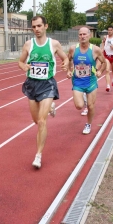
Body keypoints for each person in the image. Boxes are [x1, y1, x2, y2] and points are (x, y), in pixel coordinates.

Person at [18, 15, 69, 169]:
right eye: (34, 27)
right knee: (36, 121)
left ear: (46, 26)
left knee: (41, 121)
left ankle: (38, 155)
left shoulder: (54, 44)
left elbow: (65, 58)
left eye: (39, 26)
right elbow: (20, 61)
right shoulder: (28, 44)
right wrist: (24, 67)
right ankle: (51, 107)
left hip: (47, 84)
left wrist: (65, 65)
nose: (36, 29)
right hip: (32, 84)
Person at [67, 27, 106, 134]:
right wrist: (69, 70)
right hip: (77, 82)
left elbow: (104, 62)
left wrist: (100, 71)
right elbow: (68, 60)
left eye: (85, 34)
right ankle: (84, 101)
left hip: (91, 82)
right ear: (78, 36)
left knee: (90, 106)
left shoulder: (95, 50)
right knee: (79, 106)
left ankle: (88, 124)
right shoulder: (73, 49)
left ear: (89, 36)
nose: (82, 36)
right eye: (80, 34)